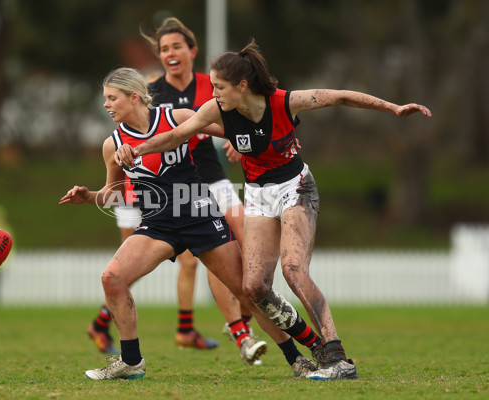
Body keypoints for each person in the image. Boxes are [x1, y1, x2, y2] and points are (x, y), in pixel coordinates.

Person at [115, 40, 433, 380]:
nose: (214, 93)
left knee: (294, 269)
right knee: (254, 288)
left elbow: (340, 95)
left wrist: (395, 108)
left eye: (219, 87)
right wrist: (137, 148)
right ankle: (311, 348)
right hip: (257, 196)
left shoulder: (285, 101)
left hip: (296, 187)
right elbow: (176, 136)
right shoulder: (215, 110)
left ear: (242, 85)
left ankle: (338, 358)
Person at [59, 67, 323, 380]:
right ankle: (131, 362)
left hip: (199, 215)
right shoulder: (112, 145)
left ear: (134, 97)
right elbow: (114, 195)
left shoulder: (177, 117)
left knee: (249, 292)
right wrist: (89, 196)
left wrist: (260, 143)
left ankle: (300, 356)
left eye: (112, 98)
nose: (106, 105)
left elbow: (243, 130)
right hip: (158, 226)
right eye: (105, 99)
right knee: (112, 278)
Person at [86, 17, 251, 354]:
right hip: (145, 189)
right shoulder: (150, 91)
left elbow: (234, 116)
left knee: (244, 242)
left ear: (192, 51)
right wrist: (95, 193)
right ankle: (119, 324)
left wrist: (239, 138)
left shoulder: (212, 84)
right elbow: (117, 170)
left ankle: (237, 321)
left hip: (203, 178)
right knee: (132, 266)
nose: (170, 53)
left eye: (176, 46)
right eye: (163, 49)